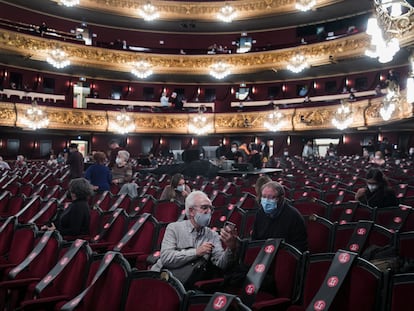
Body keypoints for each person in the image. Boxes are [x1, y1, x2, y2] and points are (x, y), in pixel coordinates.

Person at [151, 191, 238, 280]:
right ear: (191, 211)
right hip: (164, 278)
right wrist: (196, 252)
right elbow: (166, 258)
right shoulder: (174, 228)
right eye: (204, 208)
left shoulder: (213, 235)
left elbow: (222, 264)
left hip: (189, 281)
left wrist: (230, 248)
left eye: (211, 209)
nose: (209, 212)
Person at [252, 181, 308, 252]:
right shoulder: (260, 213)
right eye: (264, 197)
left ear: (281, 198)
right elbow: (254, 239)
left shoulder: (294, 216)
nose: (266, 201)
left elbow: (299, 247)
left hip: (284, 255)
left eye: (271, 197)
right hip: (262, 254)